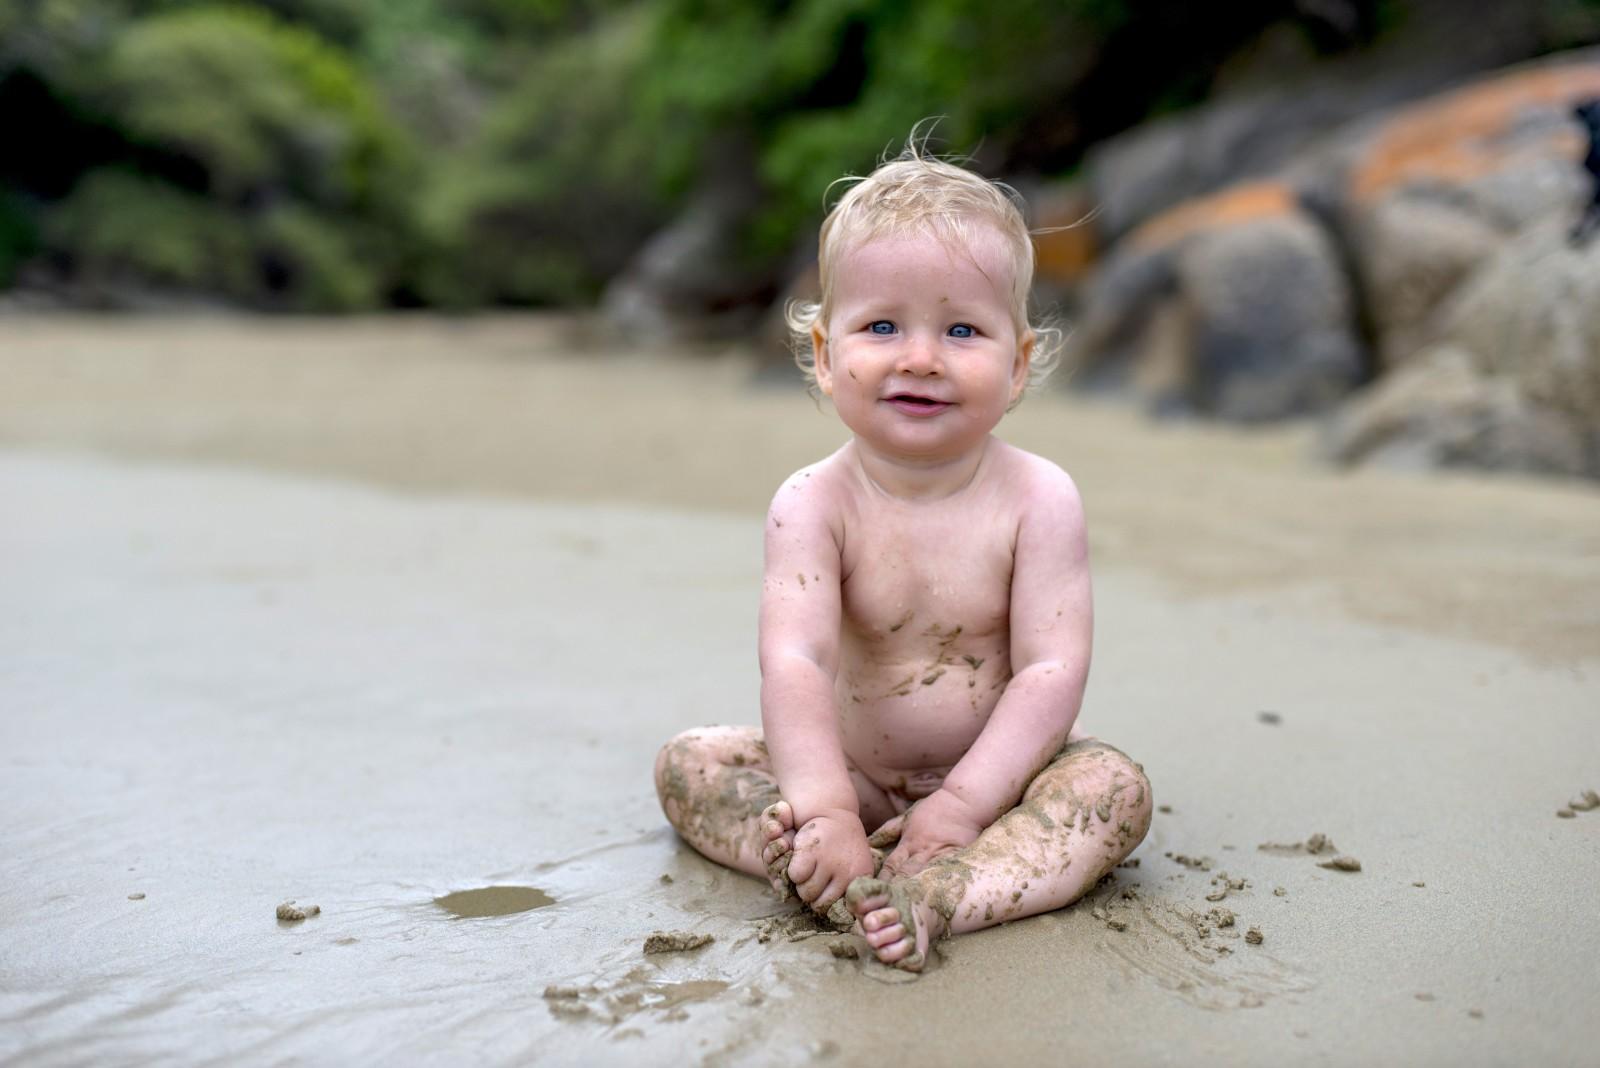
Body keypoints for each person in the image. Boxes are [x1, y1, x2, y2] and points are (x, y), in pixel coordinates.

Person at [654, 141, 1152, 973]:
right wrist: (824, 809)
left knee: (1112, 791)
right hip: (850, 771)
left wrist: (961, 807)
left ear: (1019, 364)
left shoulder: (1040, 499)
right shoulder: (812, 502)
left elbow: (1050, 672)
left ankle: (948, 891)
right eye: (882, 326)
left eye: (962, 329)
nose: (920, 357)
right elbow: (798, 660)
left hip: (1001, 784)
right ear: (823, 353)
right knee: (692, 762)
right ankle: (817, 861)